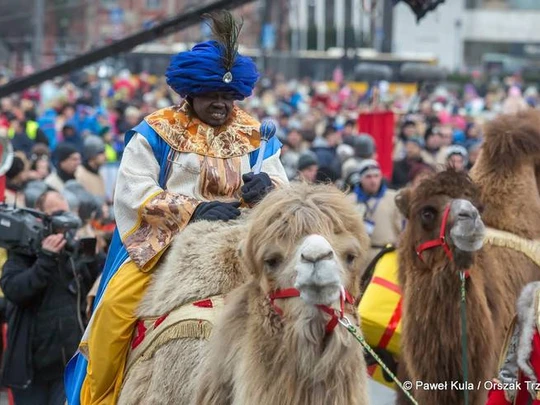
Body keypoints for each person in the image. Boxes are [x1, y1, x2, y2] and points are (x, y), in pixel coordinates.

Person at [65, 11, 288, 405]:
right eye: (211, 96)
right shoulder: (154, 131)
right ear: (190, 94)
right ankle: (97, 397)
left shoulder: (257, 137)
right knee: (113, 312)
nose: (221, 104)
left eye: (228, 97)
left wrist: (268, 188)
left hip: (241, 242)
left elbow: (283, 189)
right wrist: (192, 211)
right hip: (169, 246)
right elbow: (132, 192)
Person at [1, 191, 99, 405]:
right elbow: (15, 290)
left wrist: (93, 251)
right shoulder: (23, 252)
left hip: (66, 367)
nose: (63, 222)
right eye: (56, 214)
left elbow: (94, 283)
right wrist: (46, 258)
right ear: (40, 216)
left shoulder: (72, 251)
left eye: (67, 214)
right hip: (32, 371)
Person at [350, 159, 402, 266]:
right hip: (361, 258)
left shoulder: (393, 198)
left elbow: (402, 228)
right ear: (360, 179)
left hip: (387, 255)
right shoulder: (350, 201)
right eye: (368, 177)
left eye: (376, 176)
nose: (373, 181)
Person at [75, 135, 107, 200]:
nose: (105, 156)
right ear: (92, 154)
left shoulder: (97, 172)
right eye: (101, 153)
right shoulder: (79, 174)